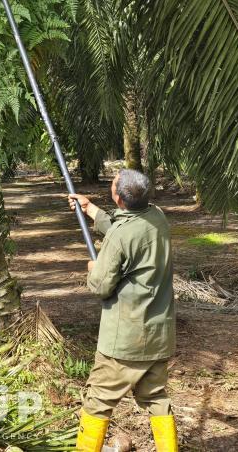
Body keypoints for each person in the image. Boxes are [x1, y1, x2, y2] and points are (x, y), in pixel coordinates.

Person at [68, 169, 177, 452]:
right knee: (156, 398)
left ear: (118, 199)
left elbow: (101, 285)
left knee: (98, 401)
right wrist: (90, 209)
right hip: (158, 334)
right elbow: (126, 227)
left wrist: (94, 269)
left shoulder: (119, 236)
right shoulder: (157, 217)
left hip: (125, 340)